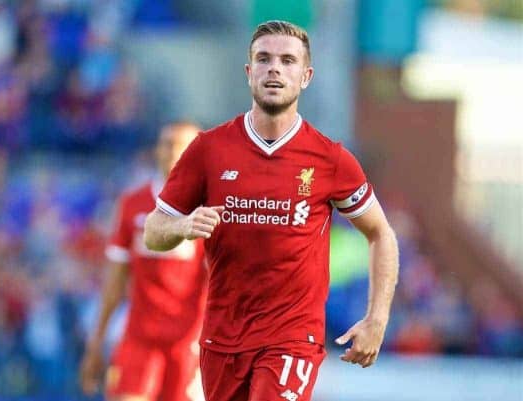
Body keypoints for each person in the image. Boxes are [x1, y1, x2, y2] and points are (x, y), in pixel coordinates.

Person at [143, 20, 400, 400]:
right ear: (249, 73)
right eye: (263, 59)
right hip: (222, 340)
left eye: (287, 60)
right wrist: (182, 224)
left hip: (292, 339)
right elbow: (153, 231)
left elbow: (381, 233)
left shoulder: (329, 158)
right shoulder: (208, 150)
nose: (274, 68)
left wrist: (377, 319)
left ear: (306, 76)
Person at [80, 122, 207, 401]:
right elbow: (115, 281)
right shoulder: (133, 204)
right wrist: (96, 341)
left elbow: (223, 285)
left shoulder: (207, 209)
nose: (172, 152)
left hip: (187, 345)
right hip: (140, 339)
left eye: (181, 145)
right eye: (166, 144)